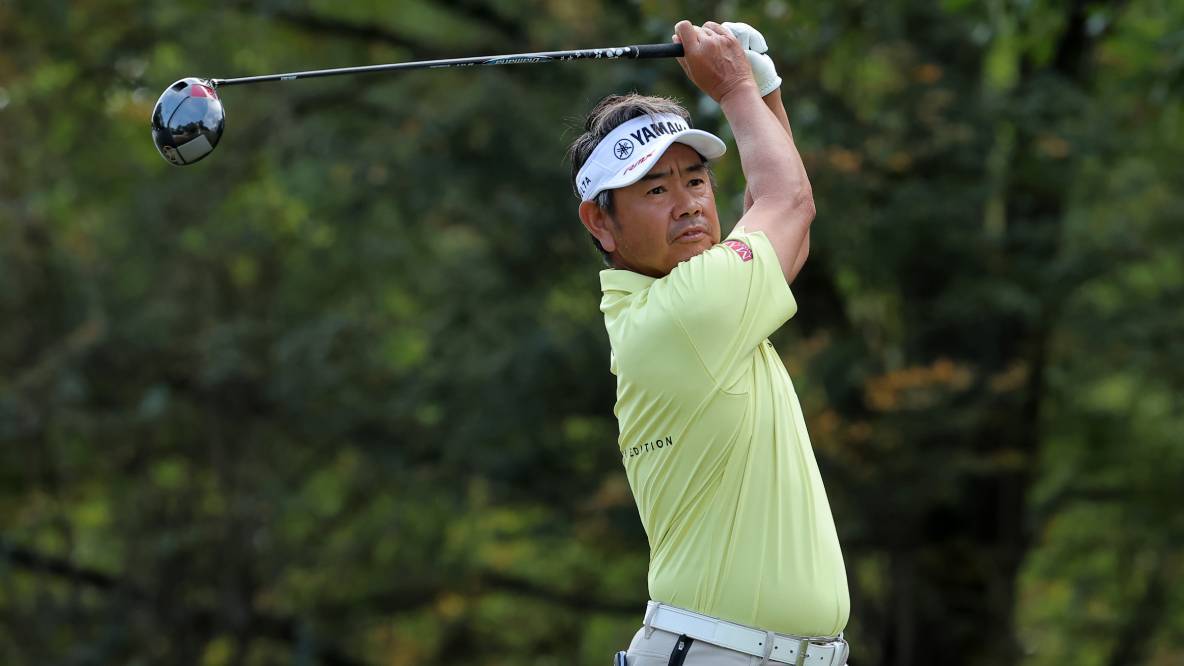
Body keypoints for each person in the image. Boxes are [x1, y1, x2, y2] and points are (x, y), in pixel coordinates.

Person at [567, 20, 850, 666]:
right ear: (600, 224)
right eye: (655, 190)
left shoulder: (691, 305)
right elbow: (788, 202)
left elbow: (784, 218)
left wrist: (763, 91)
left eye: (695, 181)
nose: (688, 204)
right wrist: (736, 89)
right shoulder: (685, 314)